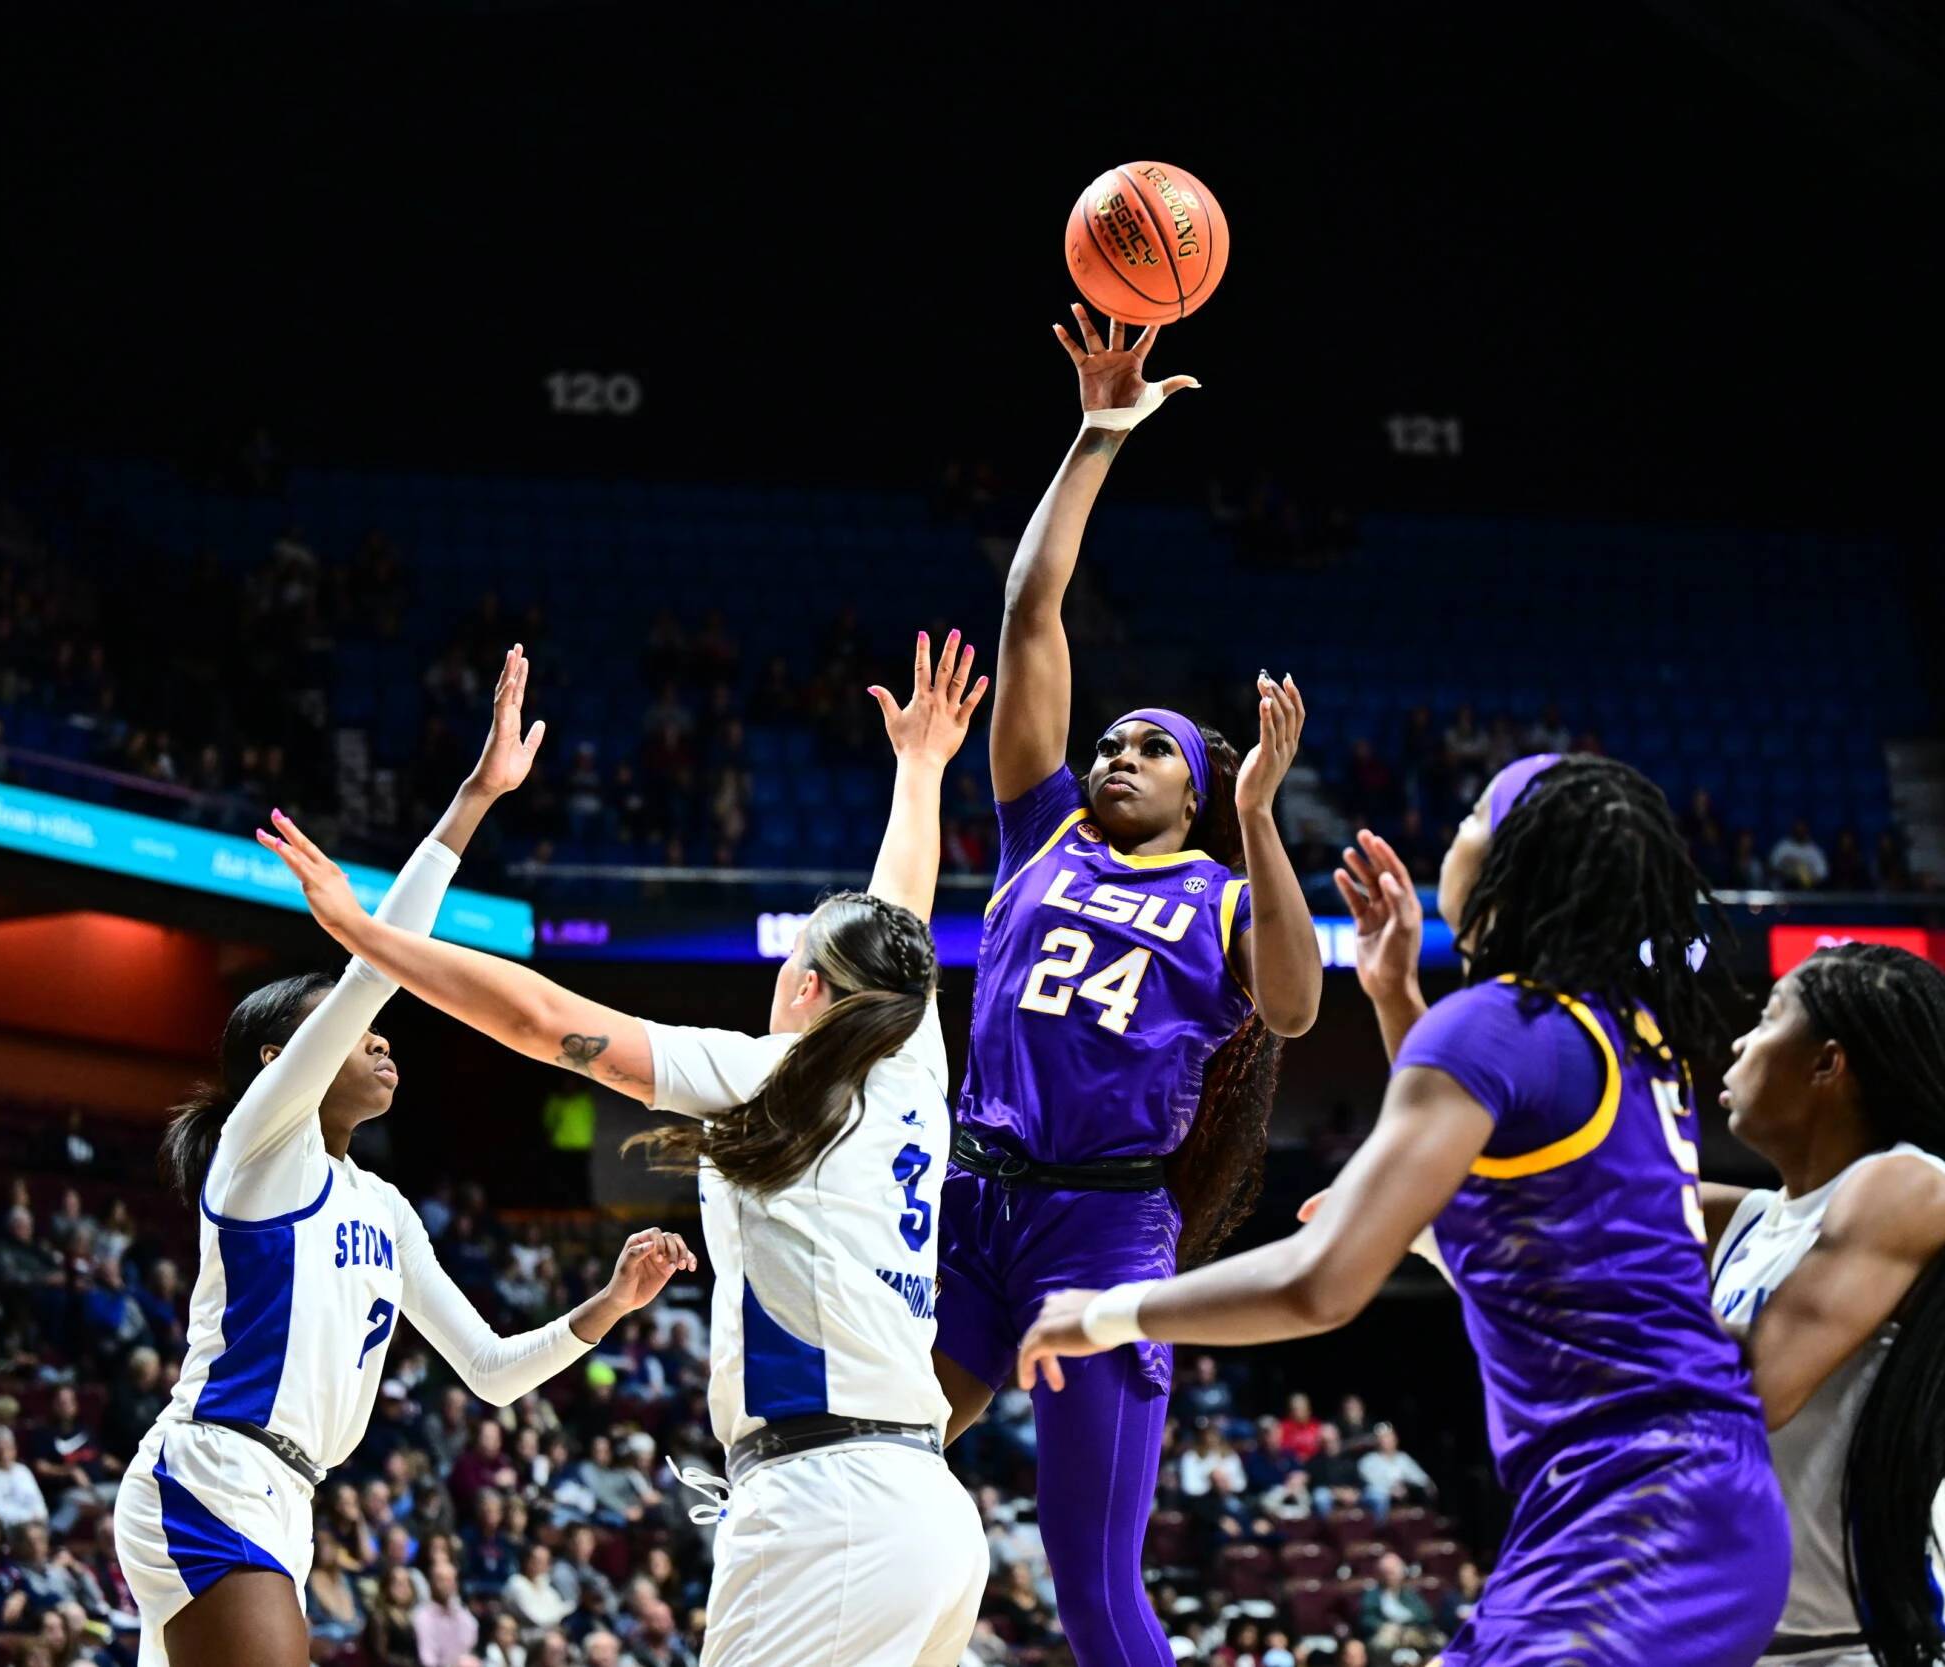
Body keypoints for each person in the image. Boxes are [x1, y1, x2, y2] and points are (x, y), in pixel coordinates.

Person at [260, 633, 994, 1667]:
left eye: (796, 962)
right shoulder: (911, 1063)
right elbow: (899, 919)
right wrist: (919, 772)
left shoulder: (771, 1070)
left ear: (814, 993)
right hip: (925, 1510)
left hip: (827, 1505)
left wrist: (367, 938)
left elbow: (539, 1016)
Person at [1017, 755, 1789, 1667]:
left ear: (1513, 862)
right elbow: (1519, 1204)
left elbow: (1320, 1285)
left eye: (1469, 818)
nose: (1449, 836)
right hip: (1669, 1497)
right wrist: (1397, 1000)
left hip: (1640, 1508)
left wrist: (1103, 1312)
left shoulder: (1499, 1026)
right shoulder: (1620, 1032)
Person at [110, 647, 696, 1667]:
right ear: (278, 1055)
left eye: (383, 1039)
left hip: (287, 1499)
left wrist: (609, 1304)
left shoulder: (381, 1206)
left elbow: (491, 1371)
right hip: (209, 1475)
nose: (380, 1041)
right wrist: (472, 801)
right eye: (346, 1030)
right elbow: (374, 982)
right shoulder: (257, 1147)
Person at [935, 311, 1322, 1667]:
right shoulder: (1037, 830)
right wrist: (1097, 436)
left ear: (1202, 792)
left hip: (1100, 1237)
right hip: (971, 1202)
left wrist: (1265, 821)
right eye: (1110, 737)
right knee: (858, 1475)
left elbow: (1291, 1007)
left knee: (1096, 1592)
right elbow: (1031, 611)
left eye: (1149, 746)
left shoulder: (1221, 895)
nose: (1116, 750)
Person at [1707, 943, 1945, 1667]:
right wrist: (1399, 995)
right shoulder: (1745, 1221)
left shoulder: (1908, 1184)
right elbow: (1483, 1207)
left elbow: (1753, 1390)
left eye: (1766, 1019)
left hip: (1871, 1652)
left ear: (1827, 1063)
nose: (1738, 1041)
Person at [0, 1424, 51, 1530]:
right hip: (6, 1531)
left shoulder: (22, 1470)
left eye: (8, 1449)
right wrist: (27, 1520)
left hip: (32, 1527)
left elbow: (37, 1502)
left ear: (15, 1449)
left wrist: (39, 1518)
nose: (4, 1455)